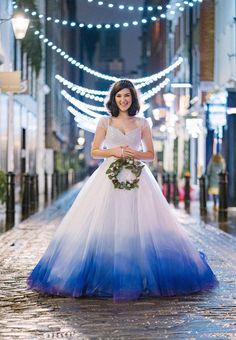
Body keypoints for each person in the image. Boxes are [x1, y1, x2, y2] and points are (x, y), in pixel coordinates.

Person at [27, 80, 218, 301]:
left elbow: (150, 154)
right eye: (119, 96)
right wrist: (115, 151)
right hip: (109, 176)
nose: (123, 100)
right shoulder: (105, 122)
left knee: (142, 221)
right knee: (105, 220)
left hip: (138, 175)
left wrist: (132, 154)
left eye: (127, 95)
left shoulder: (142, 123)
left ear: (133, 98)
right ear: (114, 99)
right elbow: (95, 151)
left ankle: (142, 274)